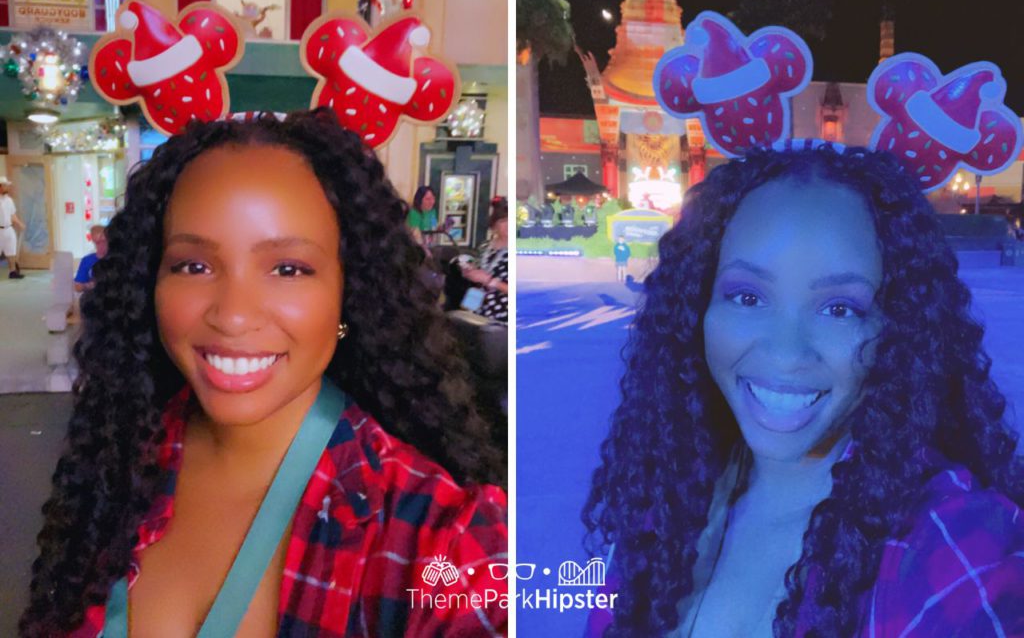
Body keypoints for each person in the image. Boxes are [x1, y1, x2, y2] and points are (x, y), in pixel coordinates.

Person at [19, 110, 507, 637]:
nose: (232, 314)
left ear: (349, 294)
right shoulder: (117, 458)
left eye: (288, 269)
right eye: (193, 265)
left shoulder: (446, 542)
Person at [583, 147, 1024, 637]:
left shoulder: (953, 551)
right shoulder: (670, 492)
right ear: (698, 309)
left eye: (840, 308)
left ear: (900, 328)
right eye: (747, 297)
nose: (787, 352)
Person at [462, 198, 508, 323]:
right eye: (503, 221)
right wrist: (469, 271)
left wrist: (490, 281)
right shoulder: (485, 247)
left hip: (503, 314)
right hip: (478, 306)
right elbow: (478, 281)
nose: (508, 225)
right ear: (494, 225)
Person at [0, 175, 26, 279]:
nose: (7, 188)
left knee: (11, 251)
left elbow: (13, 215)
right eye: (5, 186)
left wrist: (19, 223)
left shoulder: (9, 200)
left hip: (8, 228)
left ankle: (13, 271)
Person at [73, 225, 108, 292]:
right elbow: (78, 287)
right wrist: (88, 285)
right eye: (98, 243)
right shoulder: (87, 260)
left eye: (104, 242)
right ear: (94, 242)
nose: (101, 245)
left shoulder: (116, 259)